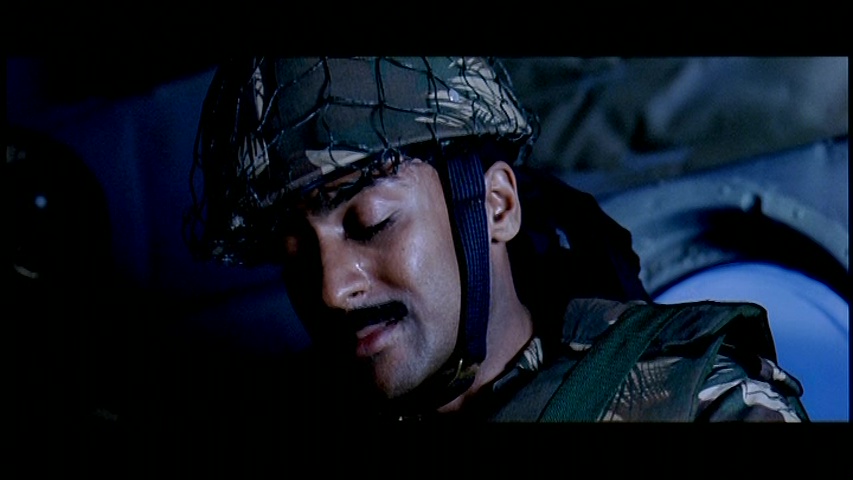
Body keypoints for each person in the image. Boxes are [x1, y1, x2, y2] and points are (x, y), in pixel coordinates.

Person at [183, 57, 810, 424]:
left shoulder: (698, 400)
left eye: (370, 222)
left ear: (496, 206)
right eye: (294, 256)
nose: (331, 289)